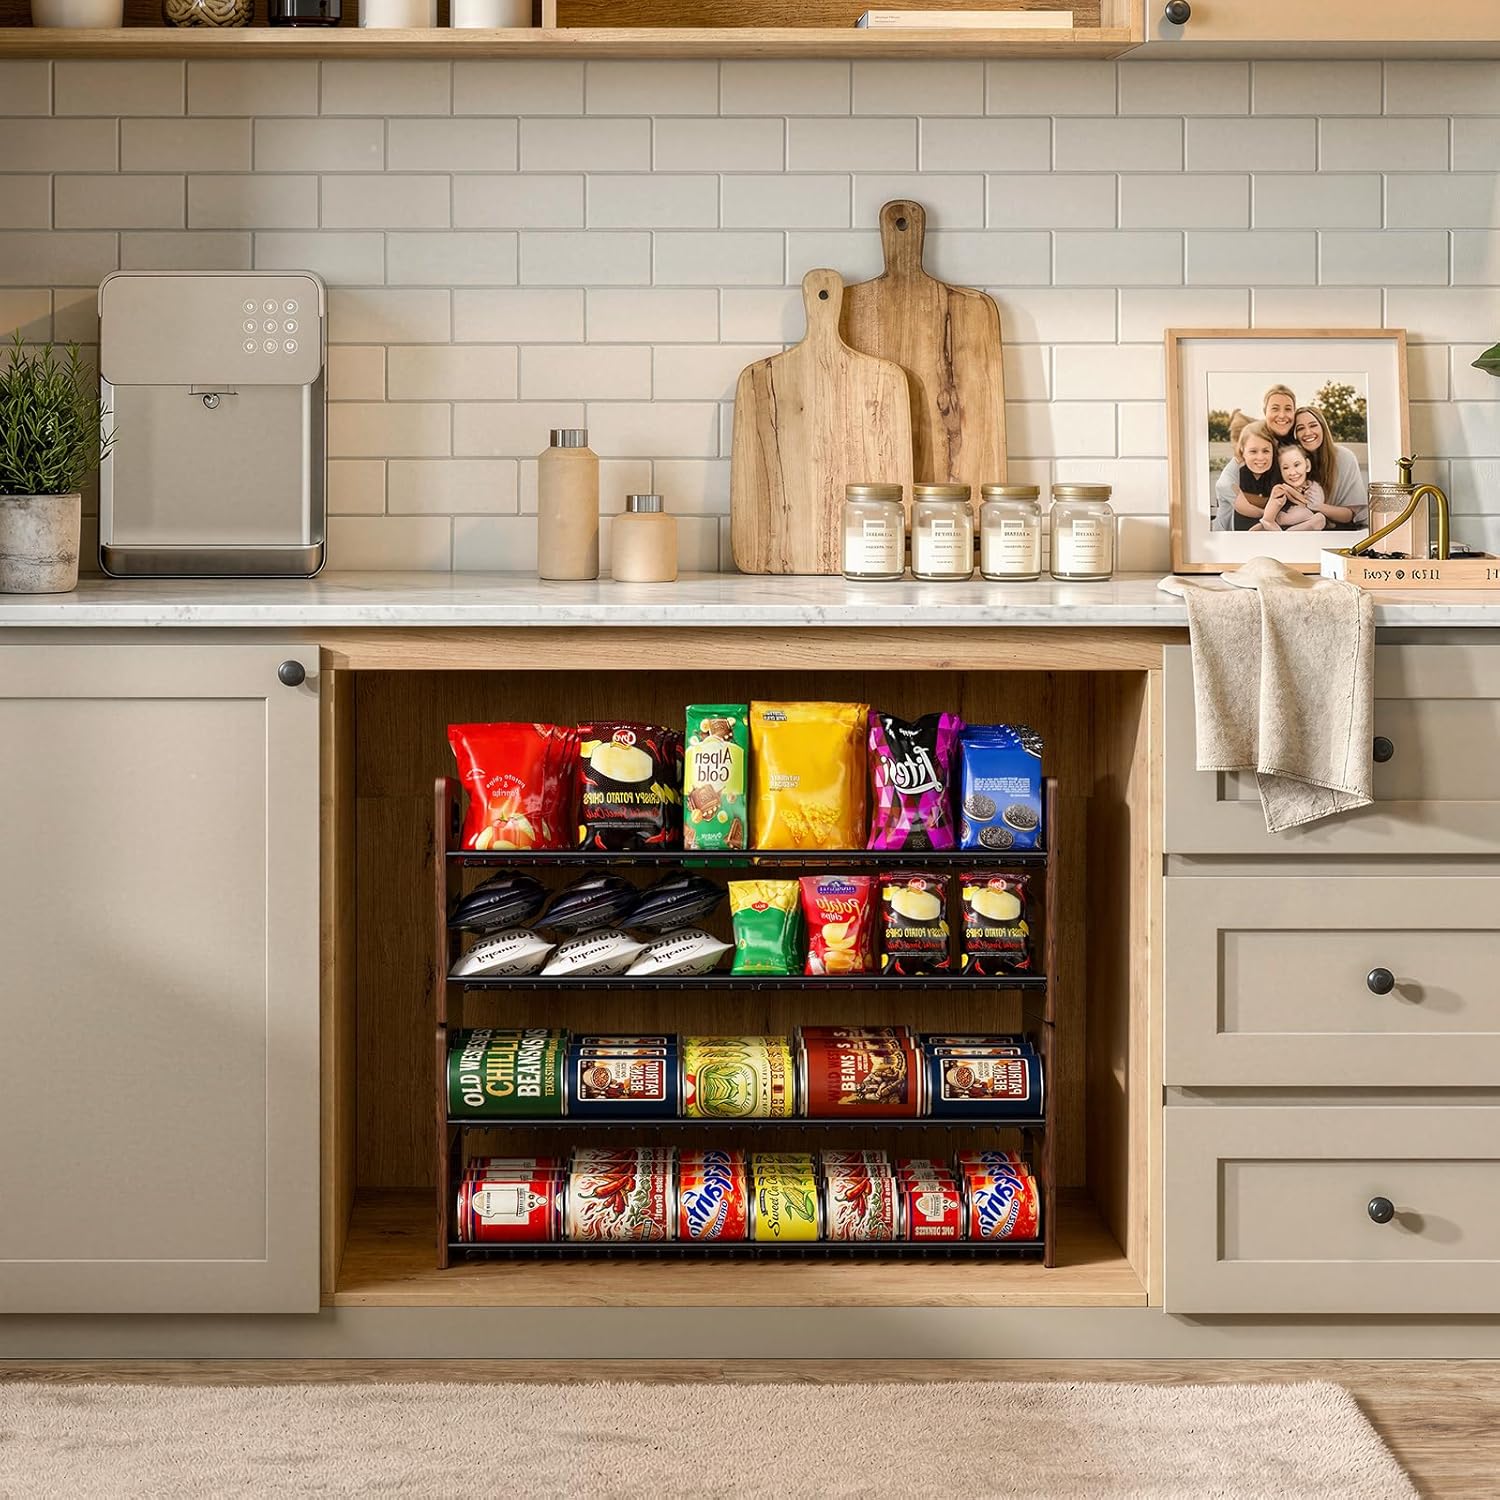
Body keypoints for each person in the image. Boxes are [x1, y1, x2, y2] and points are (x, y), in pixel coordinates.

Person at [1213, 385, 1299, 529]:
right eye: (1275, 408)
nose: (1282, 415)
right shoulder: (1249, 450)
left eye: (1288, 409)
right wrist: (1270, 512)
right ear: (1265, 412)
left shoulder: (1291, 446)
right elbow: (1229, 489)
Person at [1291, 405, 1365, 528]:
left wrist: (1319, 506)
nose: (1307, 432)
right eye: (1300, 428)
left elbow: (1349, 515)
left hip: (1339, 531)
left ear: (1323, 428)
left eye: (1313, 425)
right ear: (1295, 435)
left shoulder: (1344, 457)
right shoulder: (1292, 462)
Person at [1257, 443, 1326, 530]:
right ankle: (1268, 522)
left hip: (1302, 526)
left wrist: (1290, 492)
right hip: (1280, 521)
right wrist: (1287, 491)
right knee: (1277, 489)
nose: (1292, 472)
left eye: (1297, 465)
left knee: (1320, 519)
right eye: (1285, 468)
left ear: (1307, 465)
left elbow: (1309, 504)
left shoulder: (1314, 487)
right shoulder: (1281, 488)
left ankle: (1286, 535)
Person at [1227, 420, 1282, 530]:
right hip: (1243, 534)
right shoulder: (1237, 475)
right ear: (1242, 451)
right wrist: (1268, 514)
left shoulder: (1278, 474)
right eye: (1253, 451)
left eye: (1266, 451)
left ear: (1273, 451)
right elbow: (1241, 506)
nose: (1260, 457)